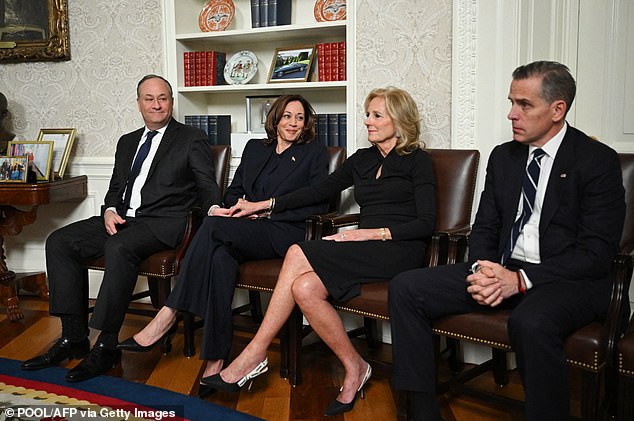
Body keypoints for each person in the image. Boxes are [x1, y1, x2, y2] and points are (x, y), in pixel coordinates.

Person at [388, 61, 626, 421]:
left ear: (557, 109)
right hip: (503, 268)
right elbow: (485, 226)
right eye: (511, 102)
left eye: (524, 105)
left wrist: (520, 281)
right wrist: (486, 268)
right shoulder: (504, 156)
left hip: (565, 280)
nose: (511, 114)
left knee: (531, 322)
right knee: (407, 287)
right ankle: (422, 414)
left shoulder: (596, 162)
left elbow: (596, 254)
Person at [205, 86, 436, 416]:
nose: (367, 121)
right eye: (367, 114)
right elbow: (316, 191)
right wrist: (267, 204)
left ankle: (255, 352)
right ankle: (356, 366)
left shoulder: (418, 161)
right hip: (367, 249)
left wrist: (366, 234)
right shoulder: (363, 159)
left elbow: (426, 223)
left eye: (376, 115)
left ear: (398, 121)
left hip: (400, 249)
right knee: (304, 288)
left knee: (298, 251)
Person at [116, 94, 330, 398]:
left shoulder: (314, 153)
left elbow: (316, 200)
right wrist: (237, 207)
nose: (293, 123)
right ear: (275, 119)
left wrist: (264, 210)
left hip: (284, 232)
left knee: (213, 225)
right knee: (219, 260)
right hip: (245, 229)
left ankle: (169, 312)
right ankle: (215, 360)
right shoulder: (256, 149)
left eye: (299, 117)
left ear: (306, 123)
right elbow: (232, 192)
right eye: (287, 116)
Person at [21, 75, 222, 383]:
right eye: (149, 99)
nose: (156, 105)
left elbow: (207, 185)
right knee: (60, 240)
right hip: (125, 218)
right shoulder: (127, 141)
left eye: (163, 98)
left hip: (165, 223)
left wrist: (213, 210)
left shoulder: (190, 138)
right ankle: (73, 338)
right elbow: (115, 189)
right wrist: (110, 211)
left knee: (120, 246)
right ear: (139, 103)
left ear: (171, 101)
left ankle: (106, 344)